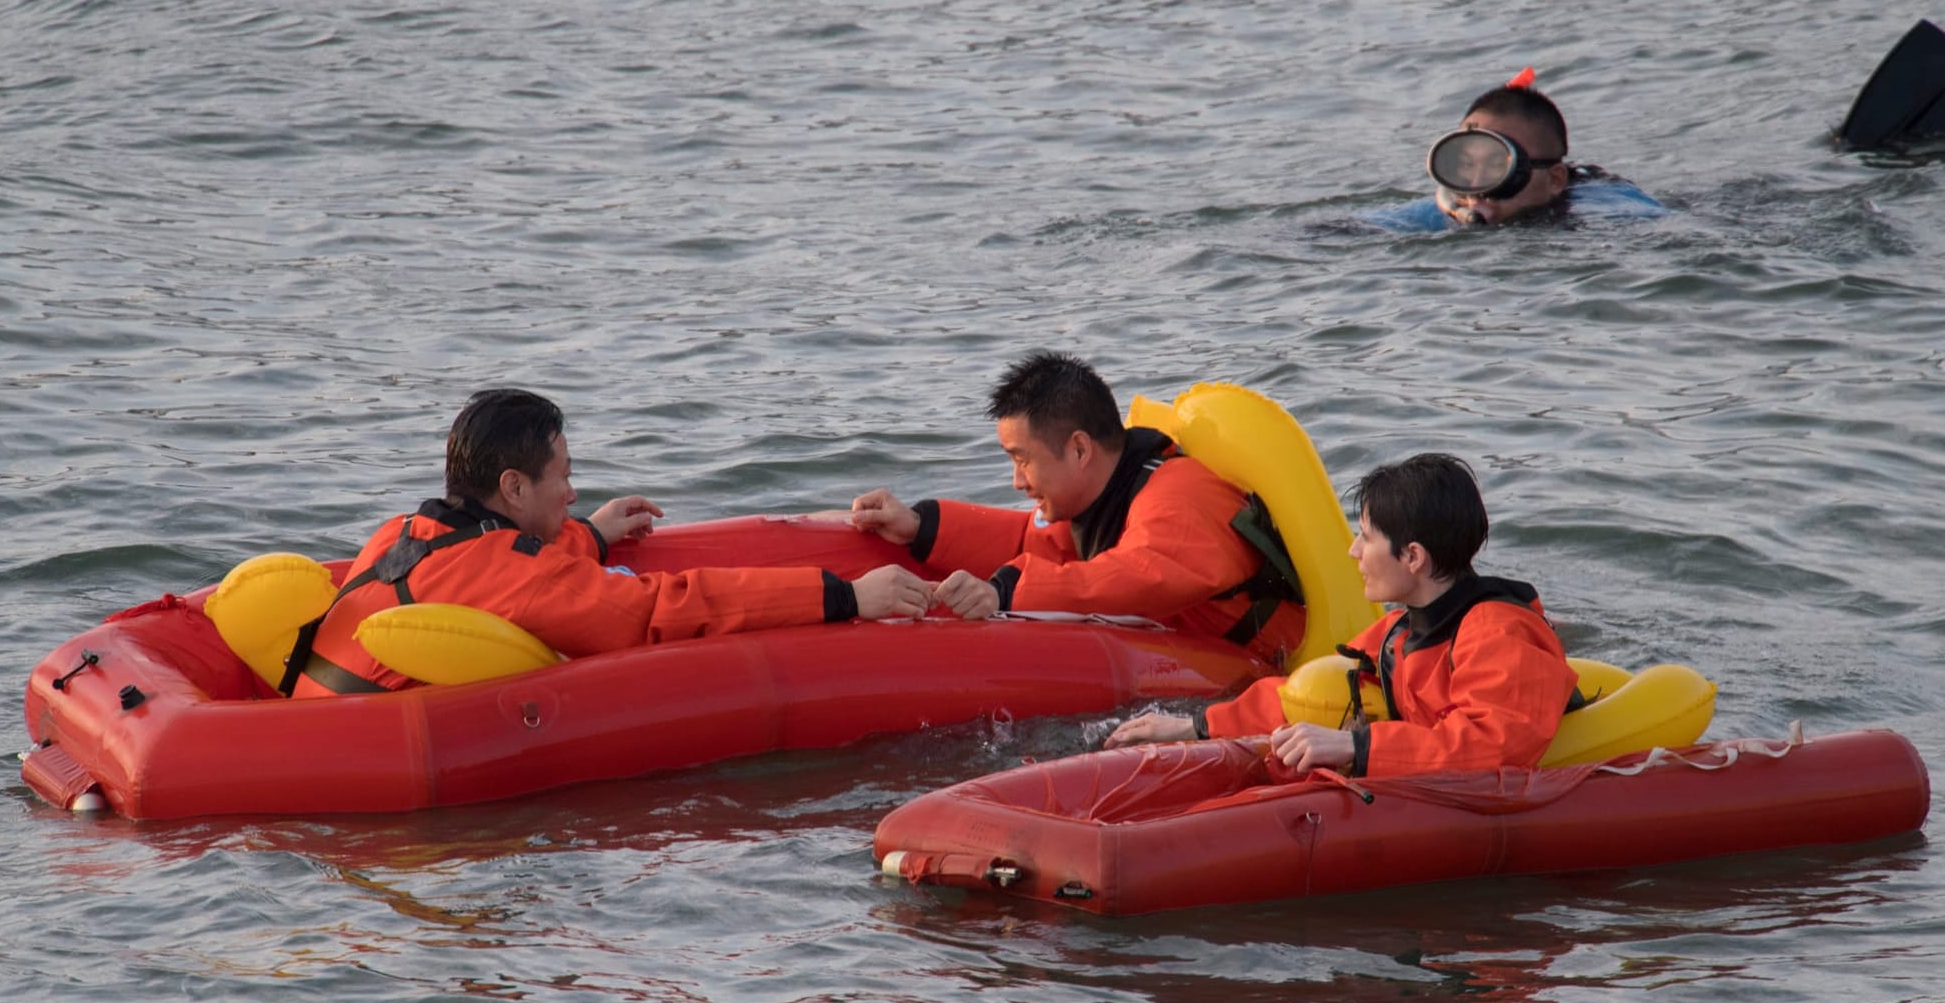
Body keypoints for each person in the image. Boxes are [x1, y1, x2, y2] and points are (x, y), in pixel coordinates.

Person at [283, 388, 932, 697]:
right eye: (563, 478)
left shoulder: (400, 534)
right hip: (368, 760)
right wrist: (845, 597)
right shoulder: (515, 574)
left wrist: (588, 536)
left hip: (311, 719)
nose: (571, 495)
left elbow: (485, 574)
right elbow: (657, 610)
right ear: (512, 487)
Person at [1104, 453, 1576, 777]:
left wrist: (1355, 748)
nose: (1353, 550)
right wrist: (1194, 728)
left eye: (1367, 538)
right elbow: (1307, 695)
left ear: (1412, 557)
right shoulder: (1397, 630)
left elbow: (1495, 747)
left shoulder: (1498, 633)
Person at [848, 352, 1303, 662]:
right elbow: (1032, 541)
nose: (1016, 481)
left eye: (1022, 459)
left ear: (1080, 450)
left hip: (1278, 672)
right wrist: (921, 527)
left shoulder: (1182, 497)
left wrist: (1005, 593)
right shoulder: (1107, 494)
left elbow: (1139, 577)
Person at [1368, 67, 1665, 232]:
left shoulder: (1605, 209)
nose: (1476, 190)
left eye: (1497, 168)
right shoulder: (1446, 210)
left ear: (1554, 180)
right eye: (1465, 167)